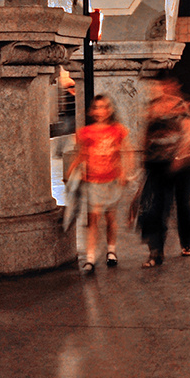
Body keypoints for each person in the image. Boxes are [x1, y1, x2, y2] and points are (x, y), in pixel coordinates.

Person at [135, 78, 190, 266]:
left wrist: (180, 157)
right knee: (156, 206)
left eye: (166, 84)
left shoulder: (182, 105)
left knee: (183, 203)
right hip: (157, 165)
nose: (162, 88)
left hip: (182, 166)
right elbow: (146, 135)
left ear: (175, 85)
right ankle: (156, 252)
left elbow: (189, 133)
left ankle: (188, 241)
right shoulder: (152, 107)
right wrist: (143, 162)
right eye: (158, 85)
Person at [68, 94, 133, 273]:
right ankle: (90, 258)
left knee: (110, 217)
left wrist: (125, 172)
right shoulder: (86, 132)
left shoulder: (118, 130)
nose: (100, 111)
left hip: (111, 179)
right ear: (91, 111)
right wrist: (72, 170)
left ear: (110, 110)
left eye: (104, 107)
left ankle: (111, 251)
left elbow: (127, 151)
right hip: (93, 181)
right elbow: (82, 153)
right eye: (96, 107)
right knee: (93, 218)